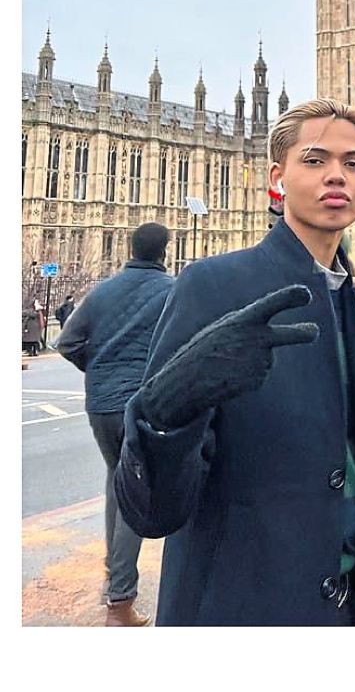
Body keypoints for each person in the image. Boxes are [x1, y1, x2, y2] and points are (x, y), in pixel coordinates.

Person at [114, 98, 355, 627]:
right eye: (314, 160)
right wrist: (169, 407)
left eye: (353, 163)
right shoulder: (213, 287)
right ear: (277, 178)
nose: (336, 175)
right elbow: (152, 510)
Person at [55, 223, 173, 625]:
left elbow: (67, 343)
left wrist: (99, 370)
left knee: (116, 484)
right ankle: (120, 600)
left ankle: (115, 579)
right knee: (134, 495)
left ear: (131, 249)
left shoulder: (102, 291)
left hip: (100, 405)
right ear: (164, 253)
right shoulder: (171, 291)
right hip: (137, 405)